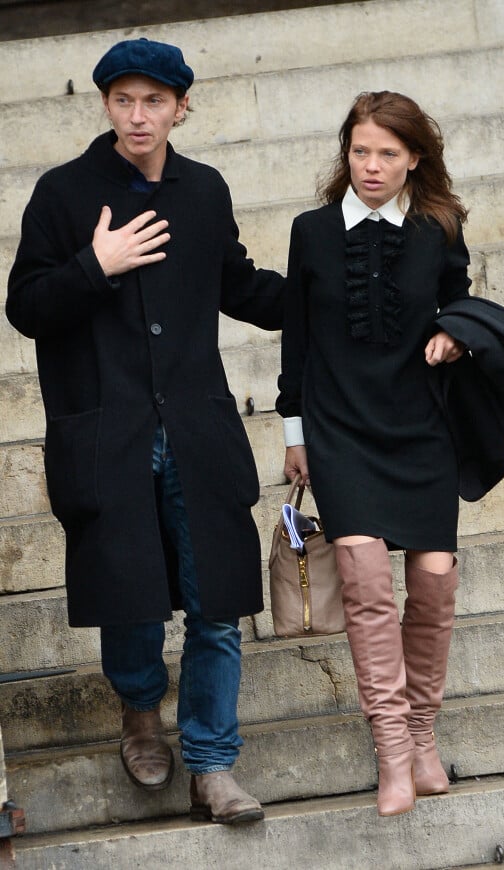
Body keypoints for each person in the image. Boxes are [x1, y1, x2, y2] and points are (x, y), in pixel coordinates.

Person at [6, 38, 284, 825]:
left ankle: (212, 763)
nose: (139, 115)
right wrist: (97, 262)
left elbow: (237, 282)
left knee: (217, 605)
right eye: (124, 100)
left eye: (154, 101)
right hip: (112, 433)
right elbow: (25, 307)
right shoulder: (64, 194)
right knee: (129, 599)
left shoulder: (203, 190)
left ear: (181, 107)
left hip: (197, 430)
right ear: (104, 105)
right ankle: (138, 710)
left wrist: (329, 294)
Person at [276, 90, 470, 817]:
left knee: (433, 582)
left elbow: (463, 301)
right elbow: (296, 336)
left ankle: (423, 731)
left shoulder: (440, 228)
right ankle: (392, 750)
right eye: (361, 151)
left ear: (414, 158)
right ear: (346, 152)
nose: (372, 165)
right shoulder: (311, 231)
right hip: (340, 429)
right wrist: (295, 434)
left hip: (423, 428)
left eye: (388, 153)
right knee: (363, 579)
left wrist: (455, 332)